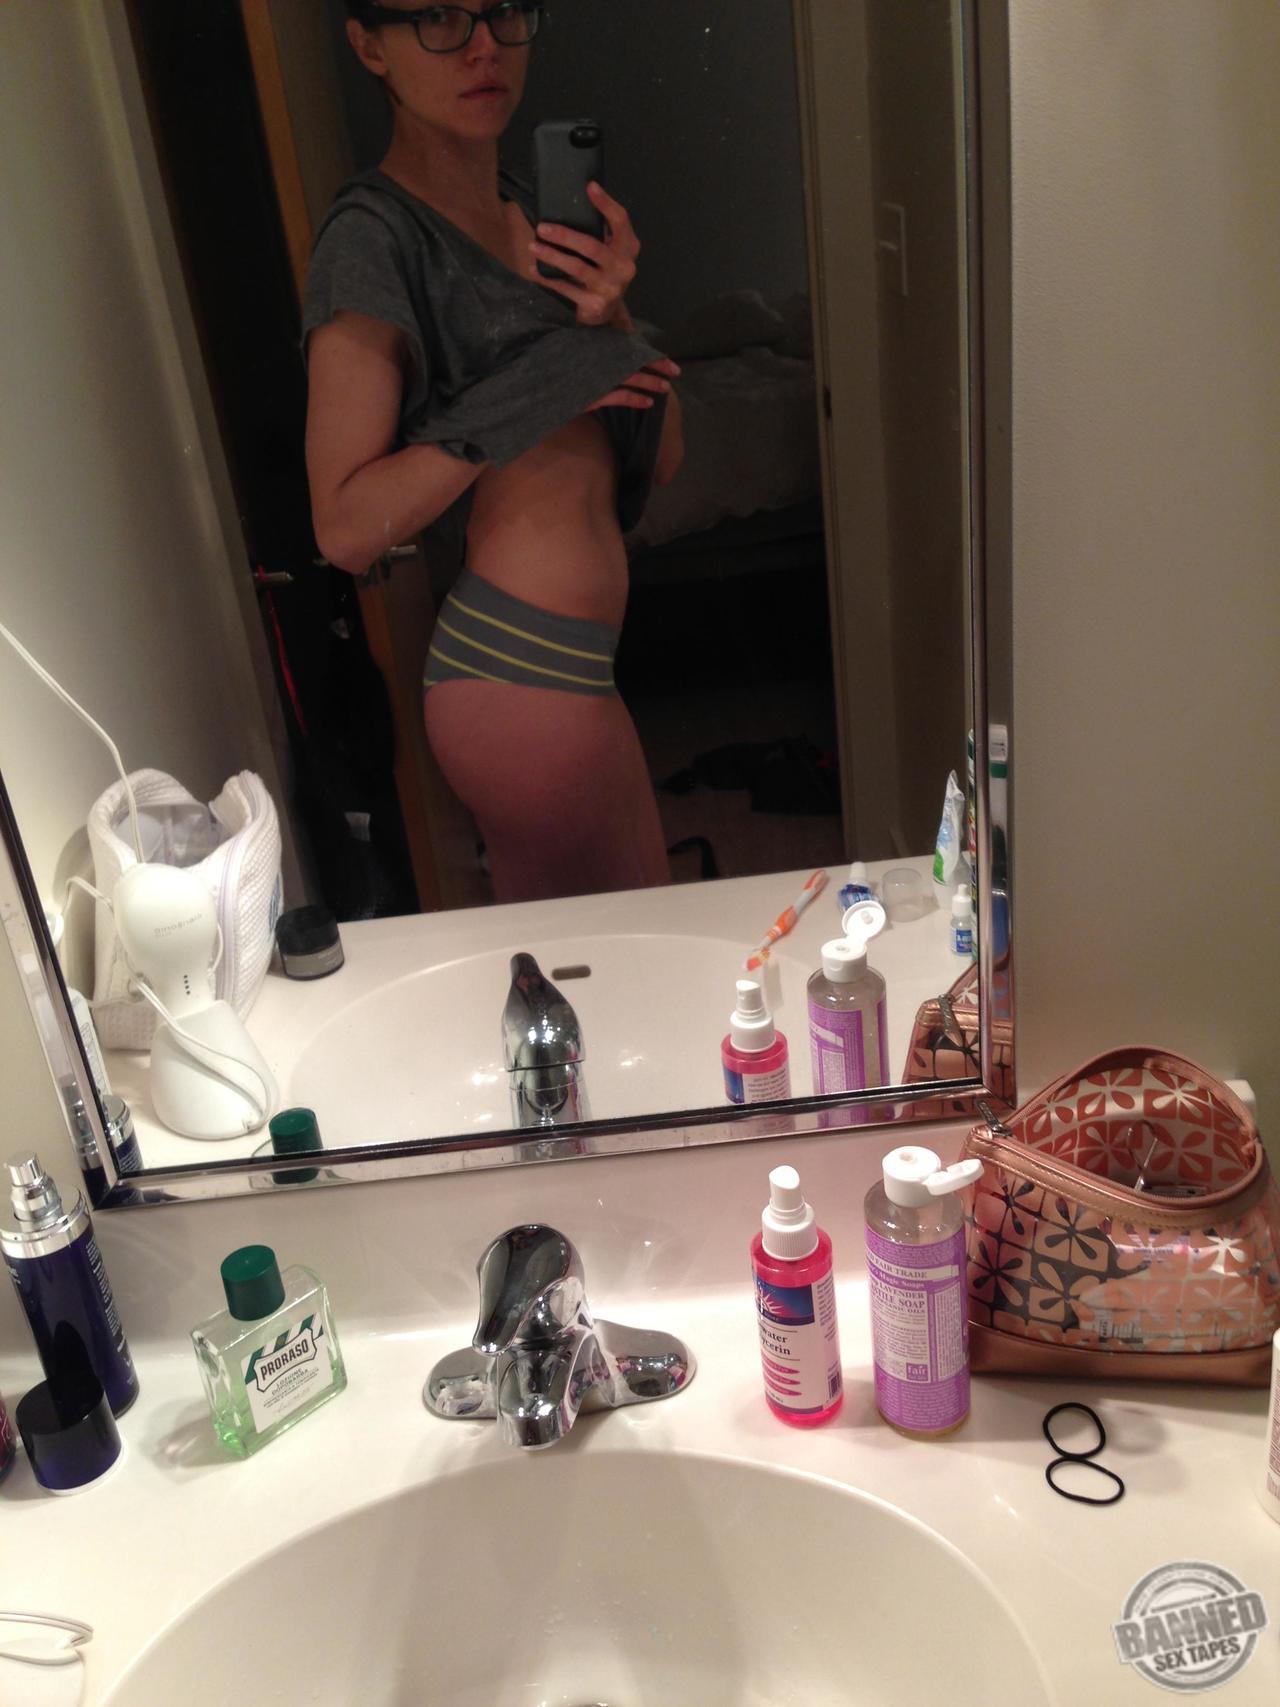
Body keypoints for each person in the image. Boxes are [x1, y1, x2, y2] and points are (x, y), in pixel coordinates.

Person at [303, 0, 684, 903]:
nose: (483, 47)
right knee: (608, 958)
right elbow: (344, 527)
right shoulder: (373, 238)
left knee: (643, 922)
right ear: (370, 46)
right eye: (439, 17)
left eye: (503, 11)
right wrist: (536, 391)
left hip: (581, 664)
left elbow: (663, 457)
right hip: (515, 671)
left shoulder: (534, 208)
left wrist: (613, 320)